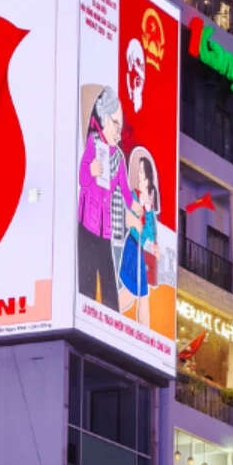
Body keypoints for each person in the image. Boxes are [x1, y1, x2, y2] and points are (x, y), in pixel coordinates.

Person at [77, 87, 132, 309]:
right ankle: (84, 309)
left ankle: (111, 316)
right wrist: (90, 170)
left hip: (105, 227)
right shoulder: (93, 143)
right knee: (87, 276)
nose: (119, 131)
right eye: (115, 123)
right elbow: (82, 177)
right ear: (104, 118)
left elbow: (126, 190)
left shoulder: (118, 157)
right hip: (87, 223)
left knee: (108, 276)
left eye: (121, 125)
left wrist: (138, 208)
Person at [117, 147, 160, 324]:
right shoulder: (133, 196)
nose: (142, 177)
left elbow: (151, 232)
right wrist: (142, 211)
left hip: (142, 252)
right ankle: (144, 336)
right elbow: (132, 223)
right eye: (140, 172)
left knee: (134, 295)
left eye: (144, 173)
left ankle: (110, 311)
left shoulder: (149, 203)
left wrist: (148, 209)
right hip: (133, 247)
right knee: (139, 294)